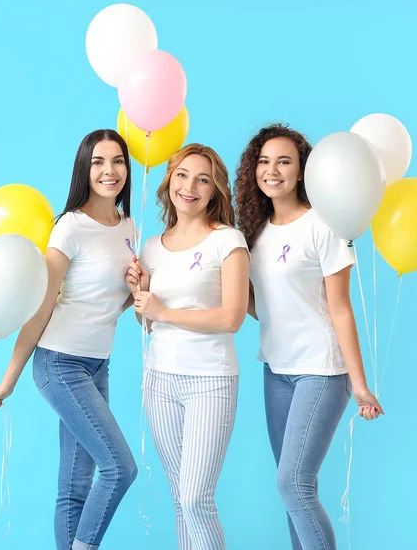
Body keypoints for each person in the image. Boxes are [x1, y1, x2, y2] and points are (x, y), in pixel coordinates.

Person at [0, 129, 138, 550]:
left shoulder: (128, 227)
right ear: (84, 168)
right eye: (98, 161)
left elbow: (106, 304)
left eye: (117, 160)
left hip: (98, 365)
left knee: (75, 486)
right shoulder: (69, 227)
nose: (109, 170)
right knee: (119, 468)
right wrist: (9, 380)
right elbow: (41, 308)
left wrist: (136, 288)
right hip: (60, 364)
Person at [234, 123, 384, 550]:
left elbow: (340, 307)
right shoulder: (254, 231)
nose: (272, 170)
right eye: (264, 161)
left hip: (321, 370)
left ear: (302, 171)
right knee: (294, 493)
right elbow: (258, 305)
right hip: (276, 370)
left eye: (284, 161)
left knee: (293, 483)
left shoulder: (325, 224)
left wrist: (359, 385)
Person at [126, 143, 250, 550]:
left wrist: (162, 312)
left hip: (210, 381)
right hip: (160, 381)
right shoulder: (152, 248)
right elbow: (147, 323)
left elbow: (231, 317)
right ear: (169, 181)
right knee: (181, 500)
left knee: (197, 498)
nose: (190, 186)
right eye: (182, 175)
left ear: (215, 190)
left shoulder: (228, 241)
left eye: (203, 179)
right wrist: (140, 296)